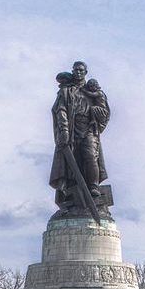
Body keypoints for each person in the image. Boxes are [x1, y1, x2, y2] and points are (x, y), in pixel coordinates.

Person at [49, 61, 110, 206]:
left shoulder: (93, 91)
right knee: (72, 163)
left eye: (81, 70)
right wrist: (63, 129)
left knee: (90, 156)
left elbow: (105, 112)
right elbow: (60, 109)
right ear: (73, 71)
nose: (78, 72)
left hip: (89, 128)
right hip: (70, 129)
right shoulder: (66, 91)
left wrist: (98, 112)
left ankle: (93, 187)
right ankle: (72, 192)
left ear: (86, 72)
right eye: (76, 70)